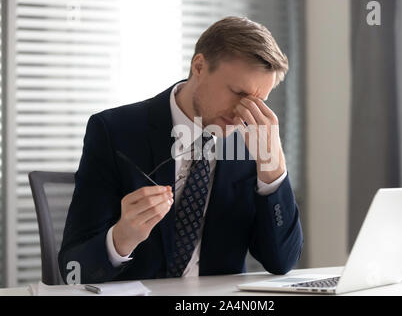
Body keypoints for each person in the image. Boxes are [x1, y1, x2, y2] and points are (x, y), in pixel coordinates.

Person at [58, 16, 303, 284]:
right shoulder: (114, 132)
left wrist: (273, 170)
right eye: (237, 93)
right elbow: (73, 269)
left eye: (257, 102)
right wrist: (122, 238)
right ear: (199, 66)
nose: (243, 114)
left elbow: (281, 261)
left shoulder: (252, 145)